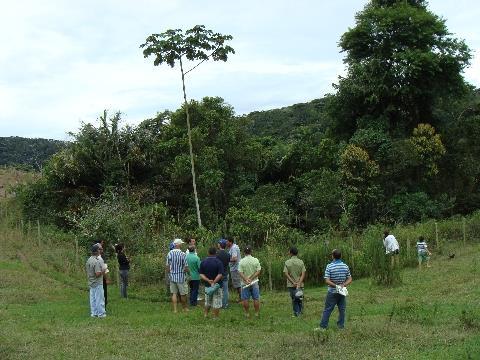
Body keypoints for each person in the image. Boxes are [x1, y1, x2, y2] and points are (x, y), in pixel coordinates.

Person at [317, 249, 352, 330]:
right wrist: (343, 285)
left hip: (332, 292)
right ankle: (341, 327)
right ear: (341, 256)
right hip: (342, 292)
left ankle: (323, 327)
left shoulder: (329, 266)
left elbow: (327, 280)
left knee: (328, 309)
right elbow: (350, 279)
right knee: (342, 310)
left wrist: (336, 286)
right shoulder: (345, 266)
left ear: (333, 256)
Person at [199, 247, 224, 318]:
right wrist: (214, 282)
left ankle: (205, 314)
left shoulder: (203, 262)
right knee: (217, 301)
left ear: (208, 253)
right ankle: (215, 317)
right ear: (216, 253)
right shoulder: (219, 262)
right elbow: (220, 274)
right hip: (217, 285)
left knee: (207, 302)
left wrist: (208, 280)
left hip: (207, 286)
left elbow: (201, 274)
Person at [166, 238, 189, 313]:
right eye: (181, 244)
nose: (182, 245)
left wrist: (170, 273)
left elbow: (167, 266)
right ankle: (184, 308)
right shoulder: (182, 254)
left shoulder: (169, 253)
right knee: (183, 294)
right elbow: (186, 267)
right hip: (181, 277)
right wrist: (185, 273)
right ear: (178, 244)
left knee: (174, 293)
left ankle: (175, 310)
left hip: (172, 276)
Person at [238, 246, 261, 318]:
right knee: (256, 298)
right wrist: (251, 278)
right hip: (254, 282)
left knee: (245, 299)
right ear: (251, 252)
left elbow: (240, 272)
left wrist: (246, 279)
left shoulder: (241, 261)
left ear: (244, 252)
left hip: (244, 283)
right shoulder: (256, 260)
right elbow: (258, 271)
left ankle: (247, 313)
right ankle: (256, 313)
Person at [283, 247, 306, 317]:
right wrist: (299, 283)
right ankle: (300, 312)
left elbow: (286, 273)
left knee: (294, 299)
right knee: (300, 297)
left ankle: (297, 313)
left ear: (290, 253)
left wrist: (293, 282)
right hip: (300, 284)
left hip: (291, 285)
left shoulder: (287, 262)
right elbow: (303, 273)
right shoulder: (301, 262)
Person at [86, 244, 106, 318]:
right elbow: (97, 273)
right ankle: (101, 314)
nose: (100, 250)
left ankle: (94, 313)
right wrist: (103, 271)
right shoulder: (96, 261)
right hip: (97, 282)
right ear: (97, 251)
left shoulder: (89, 260)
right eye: (99, 249)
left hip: (91, 282)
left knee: (93, 299)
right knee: (99, 299)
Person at [226, 237, 242, 303]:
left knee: (238, 284)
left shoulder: (233, 248)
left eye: (227, 242)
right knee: (237, 284)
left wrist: (226, 260)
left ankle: (242, 299)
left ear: (230, 242)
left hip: (236, 269)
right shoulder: (233, 247)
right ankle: (241, 298)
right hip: (235, 268)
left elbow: (234, 258)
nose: (226, 243)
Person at [216, 239, 231, 309]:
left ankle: (218, 304)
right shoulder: (228, 254)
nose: (217, 244)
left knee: (218, 290)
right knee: (225, 290)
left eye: (218, 243)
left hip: (218, 274)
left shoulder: (217, 254)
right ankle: (225, 304)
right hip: (225, 273)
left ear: (220, 245)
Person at [95, 240, 109, 308]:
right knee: (103, 292)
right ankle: (103, 306)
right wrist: (106, 279)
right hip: (101, 277)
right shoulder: (102, 257)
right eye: (100, 249)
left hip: (95, 278)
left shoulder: (92, 257)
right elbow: (105, 269)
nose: (102, 249)